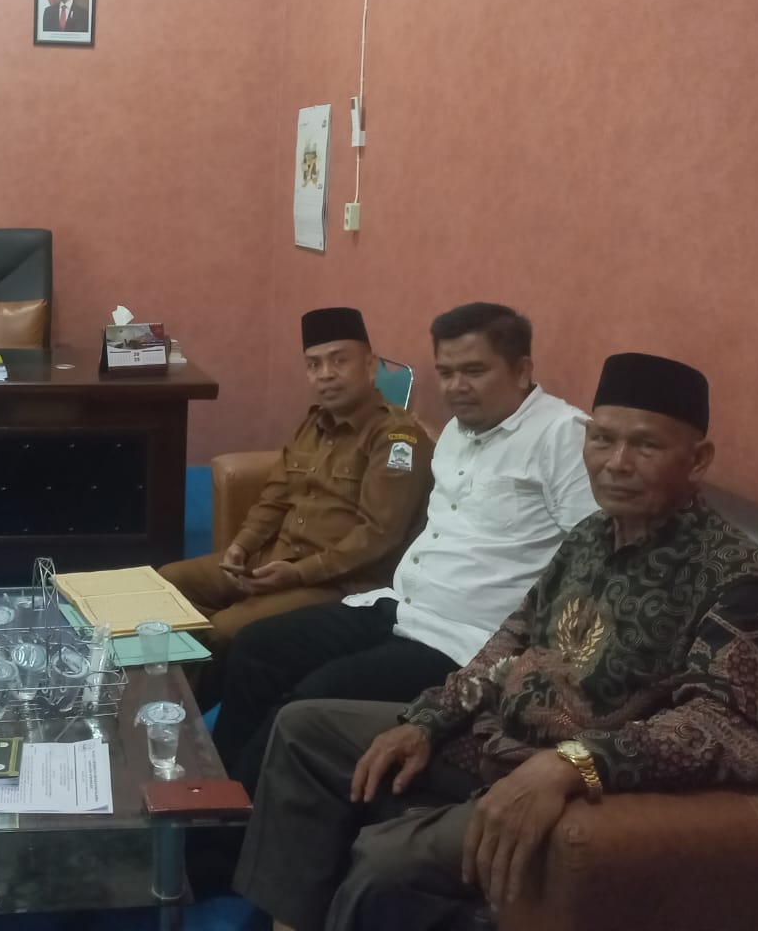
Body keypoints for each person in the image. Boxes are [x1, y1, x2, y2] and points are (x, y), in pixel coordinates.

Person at [234, 352, 758, 931]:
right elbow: (513, 638)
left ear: (697, 460)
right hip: (492, 740)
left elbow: (736, 730)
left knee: (387, 861)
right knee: (304, 730)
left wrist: (573, 765)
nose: (616, 463)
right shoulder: (590, 536)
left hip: (575, 788)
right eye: (602, 439)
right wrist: (428, 719)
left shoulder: (734, 579)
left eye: (646, 446)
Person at [211, 302, 598, 793]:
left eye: (474, 371)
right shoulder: (457, 431)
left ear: (522, 370)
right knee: (256, 648)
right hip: (397, 607)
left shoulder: (563, 436)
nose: (456, 386)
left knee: (310, 697)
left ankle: (233, 825)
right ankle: (214, 793)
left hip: (463, 641)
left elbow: (593, 562)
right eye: (446, 372)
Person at [159, 307, 432, 658]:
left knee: (225, 630)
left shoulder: (396, 437)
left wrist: (297, 574)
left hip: (339, 581)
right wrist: (241, 545)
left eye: (339, 361)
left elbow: (377, 536)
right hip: (277, 560)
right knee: (168, 583)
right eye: (314, 364)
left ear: (369, 365)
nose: (326, 374)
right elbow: (274, 498)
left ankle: (201, 682)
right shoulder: (312, 425)